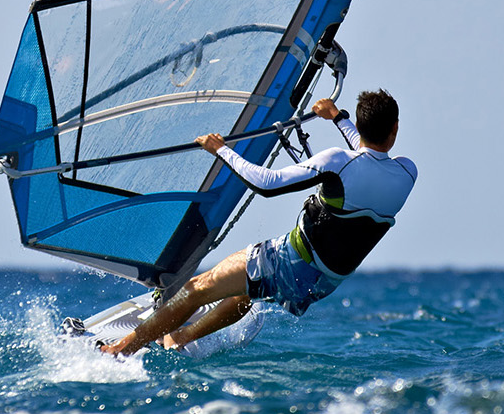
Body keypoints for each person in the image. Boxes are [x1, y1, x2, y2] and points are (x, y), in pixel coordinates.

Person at [100, 90, 417, 356]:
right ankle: (181, 338)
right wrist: (338, 117)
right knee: (245, 292)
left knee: (197, 289)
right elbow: (369, 156)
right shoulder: (406, 173)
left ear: (362, 125)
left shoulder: (337, 162)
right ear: (396, 128)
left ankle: (121, 349)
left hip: (290, 261)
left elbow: (267, 183)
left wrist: (221, 150)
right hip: (322, 283)